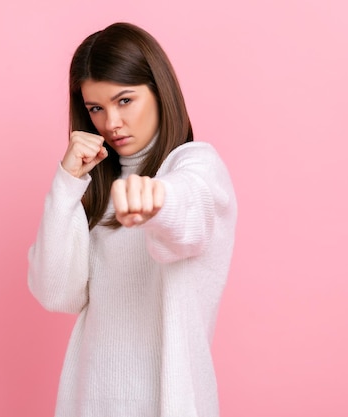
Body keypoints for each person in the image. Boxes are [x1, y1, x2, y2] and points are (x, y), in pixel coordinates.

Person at [27, 22, 237, 417]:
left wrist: (156, 203)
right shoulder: (95, 184)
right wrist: (67, 182)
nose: (111, 123)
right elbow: (55, 292)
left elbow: (189, 217)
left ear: (159, 91)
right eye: (96, 108)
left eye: (125, 101)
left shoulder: (194, 165)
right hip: (88, 402)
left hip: (168, 404)